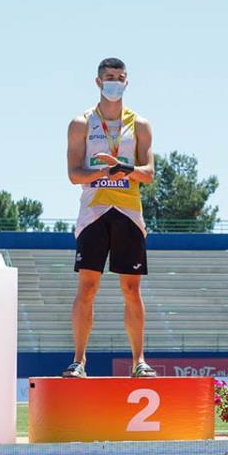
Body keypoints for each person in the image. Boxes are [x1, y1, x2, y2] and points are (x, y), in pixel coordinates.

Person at [64, 57, 156, 378]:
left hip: (129, 213)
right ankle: (79, 361)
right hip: (93, 213)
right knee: (87, 287)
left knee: (132, 290)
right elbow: (74, 174)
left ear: (127, 82)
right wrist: (103, 170)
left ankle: (139, 361)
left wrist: (125, 169)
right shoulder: (81, 123)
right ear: (98, 82)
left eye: (120, 77)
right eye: (108, 77)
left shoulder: (140, 124)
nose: (114, 81)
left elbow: (149, 174)